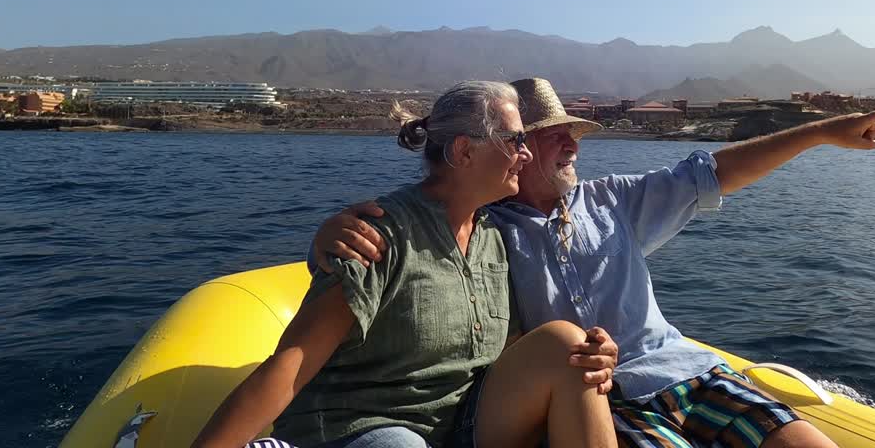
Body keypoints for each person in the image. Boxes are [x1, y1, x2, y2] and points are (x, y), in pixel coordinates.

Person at [312, 77, 875, 448]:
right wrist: (326, 238)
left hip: (689, 374)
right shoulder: (486, 231)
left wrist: (821, 132)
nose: (572, 142)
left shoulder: (614, 200)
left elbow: (716, 172)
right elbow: (412, 233)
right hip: (605, 398)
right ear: (513, 151)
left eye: (574, 131)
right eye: (551, 135)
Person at [193, 81, 620, 448]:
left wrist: (593, 354)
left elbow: (502, 345)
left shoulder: (493, 233)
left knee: (570, 347)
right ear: (463, 152)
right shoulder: (377, 234)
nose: (525, 155)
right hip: (366, 424)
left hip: (461, 421)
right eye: (514, 141)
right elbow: (293, 362)